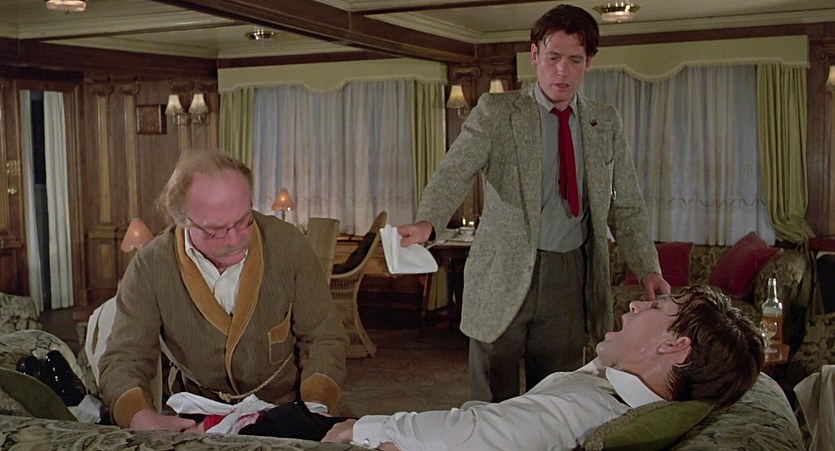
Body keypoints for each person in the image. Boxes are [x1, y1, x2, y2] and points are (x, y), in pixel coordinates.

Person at [397, 3, 670, 402]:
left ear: (589, 63)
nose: (563, 71)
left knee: (557, 397)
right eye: (554, 57)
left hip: (569, 275)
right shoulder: (497, 112)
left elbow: (626, 204)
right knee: (493, 404)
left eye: (574, 60)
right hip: (502, 270)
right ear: (535, 55)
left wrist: (647, 266)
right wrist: (429, 222)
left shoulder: (604, 122)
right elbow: (454, 172)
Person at [322, 285, 765, 450]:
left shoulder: (580, 410)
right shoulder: (616, 390)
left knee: (299, 420)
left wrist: (362, 428)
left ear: (674, 346)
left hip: (382, 438)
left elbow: (469, 433)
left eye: (656, 307)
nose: (635, 305)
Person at [97, 149, 348, 431]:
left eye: (244, 221)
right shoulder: (150, 266)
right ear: (182, 219)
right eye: (215, 230)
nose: (236, 239)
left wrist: (314, 409)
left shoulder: (288, 245)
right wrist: (142, 418)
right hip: (198, 422)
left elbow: (324, 337)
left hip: (292, 410)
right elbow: (124, 359)